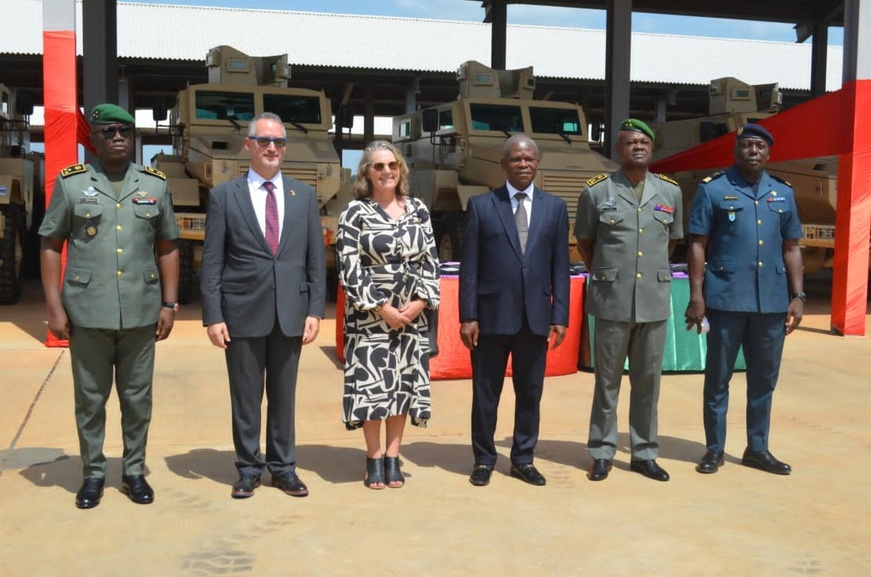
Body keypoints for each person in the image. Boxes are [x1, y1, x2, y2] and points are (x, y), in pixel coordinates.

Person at [39, 103, 180, 509]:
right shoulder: (71, 184)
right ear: (94, 140)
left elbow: (168, 244)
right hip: (86, 310)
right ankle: (94, 473)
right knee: (90, 397)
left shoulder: (154, 184)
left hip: (140, 309)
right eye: (110, 131)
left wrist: (169, 303)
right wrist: (54, 306)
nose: (119, 137)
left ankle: (134, 470)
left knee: (137, 398)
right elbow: (50, 243)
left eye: (125, 131)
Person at [200, 112, 325, 498]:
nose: (273, 148)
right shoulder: (224, 196)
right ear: (248, 145)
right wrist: (214, 315)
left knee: (284, 397)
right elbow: (213, 262)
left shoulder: (303, 196)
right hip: (242, 313)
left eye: (280, 142)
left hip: (291, 313)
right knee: (246, 397)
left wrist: (315, 309)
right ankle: (249, 468)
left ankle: (284, 467)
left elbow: (315, 260)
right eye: (265, 141)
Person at [685, 123, 803, 476]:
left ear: (769, 153)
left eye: (760, 147)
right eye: (747, 146)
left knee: (763, 380)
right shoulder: (714, 190)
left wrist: (797, 296)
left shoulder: (783, 192)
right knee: (718, 378)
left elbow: (792, 246)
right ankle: (715, 449)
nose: (753, 151)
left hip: (771, 303)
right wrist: (696, 296)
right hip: (724, 301)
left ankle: (758, 447)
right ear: (736, 151)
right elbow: (697, 244)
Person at [574, 119, 683, 483]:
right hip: (611, 301)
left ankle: (644, 453)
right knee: (607, 381)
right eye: (629, 142)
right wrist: (610, 273)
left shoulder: (670, 192)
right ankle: (602, 451)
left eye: (643, 142)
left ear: (651, 150)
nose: (638, 147)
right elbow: (586, 243)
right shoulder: (596, 192)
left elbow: (670, 243)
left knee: (648, 381)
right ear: (618, 151)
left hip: (652, 300)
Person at [459, 134, 570, 487]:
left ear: (538, 164)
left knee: (530, 392)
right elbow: (470, 267)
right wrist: (468, 315)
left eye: (529, 159)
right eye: (516, 159)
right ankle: (484, 459)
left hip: (535, 317)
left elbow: (560, 268)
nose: (523, 164)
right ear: (504, 165)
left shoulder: (555, 208)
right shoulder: (481, 206)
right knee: (486, 393)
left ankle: (523, 458)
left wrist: (560, 315)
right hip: (491, 318)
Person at [336, 141, 440, 489]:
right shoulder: (354, 213)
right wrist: (382, 308)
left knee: (402, 386)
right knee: (373, 388)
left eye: (392, 165)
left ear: (401, 170)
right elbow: (348, 267)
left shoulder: (419, 210)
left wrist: (420, 301)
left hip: (411, 315)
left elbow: (430, 260)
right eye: (378, 166)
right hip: (369, 317)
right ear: (366, 172)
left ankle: (394, 456)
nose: (386, 172)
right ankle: (374, 457)